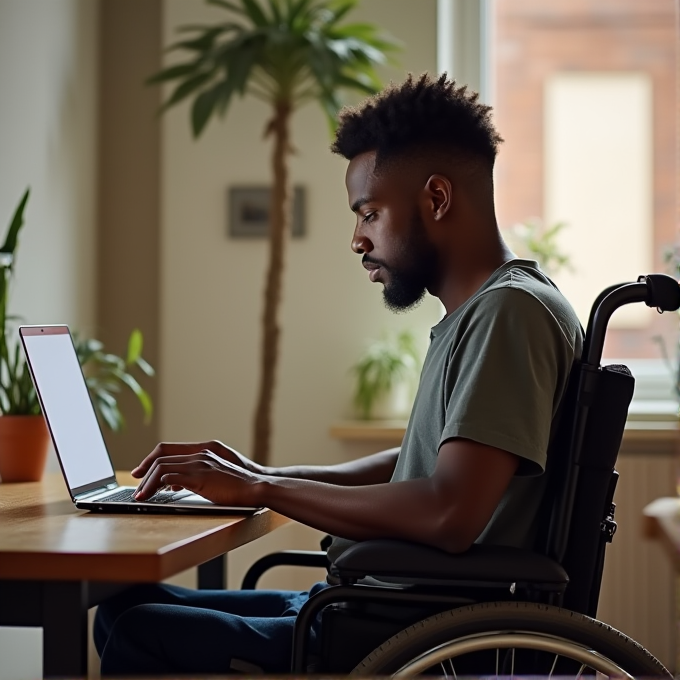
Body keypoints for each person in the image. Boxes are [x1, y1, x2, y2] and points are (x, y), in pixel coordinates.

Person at [95, 73, 583, 675]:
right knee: (123, 608)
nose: (357, 239)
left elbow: (449, 514)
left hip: (412, 629)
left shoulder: (509, 313)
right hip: (378, 603)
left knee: (144, 631)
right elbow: (419, 462)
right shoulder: (483, 312)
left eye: (370, 214)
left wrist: (263, 491)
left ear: (436, 199)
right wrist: (259, 472)